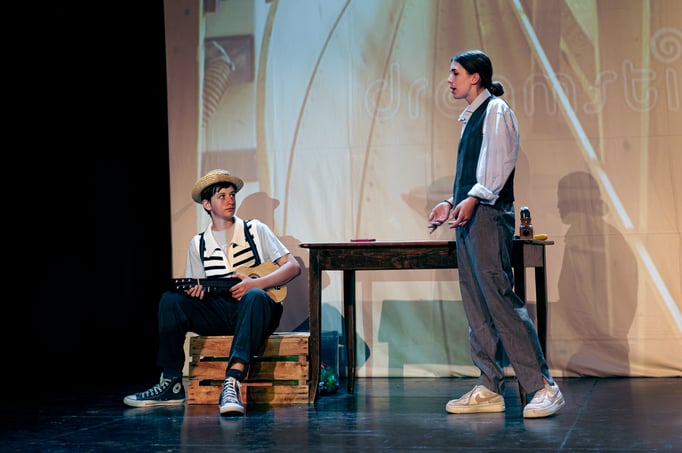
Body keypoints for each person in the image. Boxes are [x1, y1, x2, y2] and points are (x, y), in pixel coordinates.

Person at [428, 50, 564, 418]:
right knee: (476, 302)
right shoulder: (471, 117)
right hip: (470, 216)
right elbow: (475, 172)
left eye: (455, 73)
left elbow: (497, 167)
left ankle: (543, 385)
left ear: (476, 77)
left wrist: (473, 199)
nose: (449, 80)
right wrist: (450, 202)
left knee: (500, 299)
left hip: (487, 215)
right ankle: (489, 385)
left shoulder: (496, 111)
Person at [124, 169, 301, 415]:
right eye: (222, 196)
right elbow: (198, 288)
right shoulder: (199, 243)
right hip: (221, 312)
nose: (230, 200)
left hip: (257, 310)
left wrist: (256, 284)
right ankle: (172, 382)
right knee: (171, 301)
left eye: (232, 195)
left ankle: (232, 381)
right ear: (207, 204)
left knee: (253, 297)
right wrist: (198, 293)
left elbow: (293, 267)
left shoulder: (254, 229)